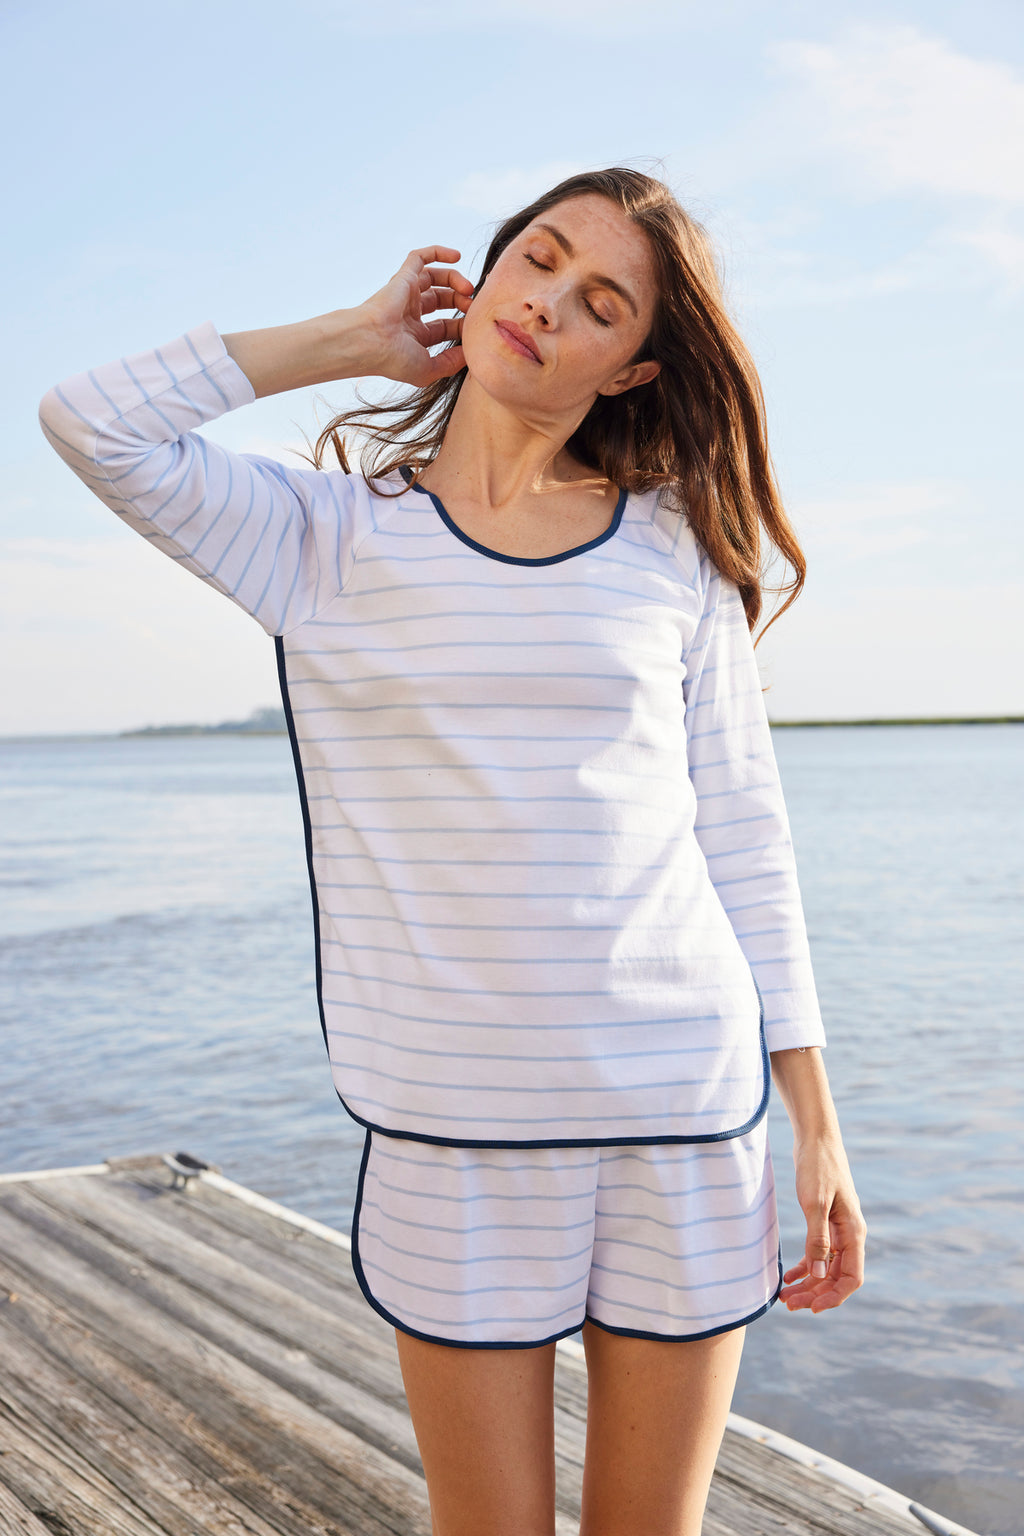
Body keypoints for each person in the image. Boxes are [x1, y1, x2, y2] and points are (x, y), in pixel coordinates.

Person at [40, 166, 865, 1536]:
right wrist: (351, 341)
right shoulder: (324, 538)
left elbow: (744, 832)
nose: (548, 302)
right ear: (481, 276)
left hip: (680, 1110)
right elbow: (91, 423)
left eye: (600, 303)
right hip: (451, 1132)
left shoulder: (672, 550)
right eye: (536, 259)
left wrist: (819, 1127)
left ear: (632, 367)